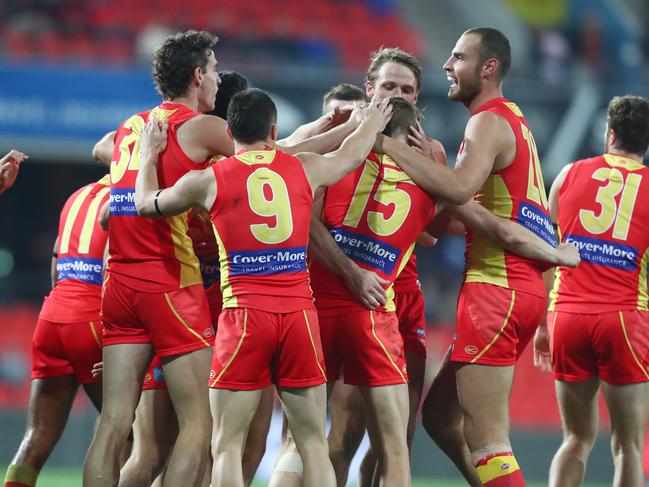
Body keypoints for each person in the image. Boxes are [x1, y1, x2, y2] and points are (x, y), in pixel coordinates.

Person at [134, 88, 392, 487]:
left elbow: (146, 203)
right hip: (299, 316)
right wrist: (371, 121)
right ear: (274, 129)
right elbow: (352, 155)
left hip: (243, 317)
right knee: (311, 443)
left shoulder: (206, 180)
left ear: (230, 131)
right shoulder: (302, 166)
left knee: (227, 446)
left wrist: (149, 154)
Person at [376, 27, 563, 486]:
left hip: (497, 287)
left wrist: (386, 145)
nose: (447, 65)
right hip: (515, 287)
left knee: (489, 440)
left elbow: (459, 189)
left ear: (489, 67)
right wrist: (434, 177)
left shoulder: (487, 122)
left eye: (458, 57)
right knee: (440, 417)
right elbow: (454, 221)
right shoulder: (512, 121)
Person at [83, 30, 235, 487]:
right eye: (212, 70)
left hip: (119, 285)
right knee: (198, 423)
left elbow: (104, 153)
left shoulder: (132, 126)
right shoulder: (205, 127)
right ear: (196, 76)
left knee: (113, 422)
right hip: (170, 282)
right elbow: (269, 159)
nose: (217, 79)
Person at [534, 95, 649, 487]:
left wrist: (542, 326)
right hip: (624, 317)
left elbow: (548, 251)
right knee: (628, 446)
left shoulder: (567, 174)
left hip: (566, 315)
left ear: (610, 134)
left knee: (575, 438)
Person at [4, 174, 109, 487]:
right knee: (124, 432)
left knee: (35, 439)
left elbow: (55, 261)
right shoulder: (129, 198)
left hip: (53, 314)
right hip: (94, 319)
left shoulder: (77, 197)